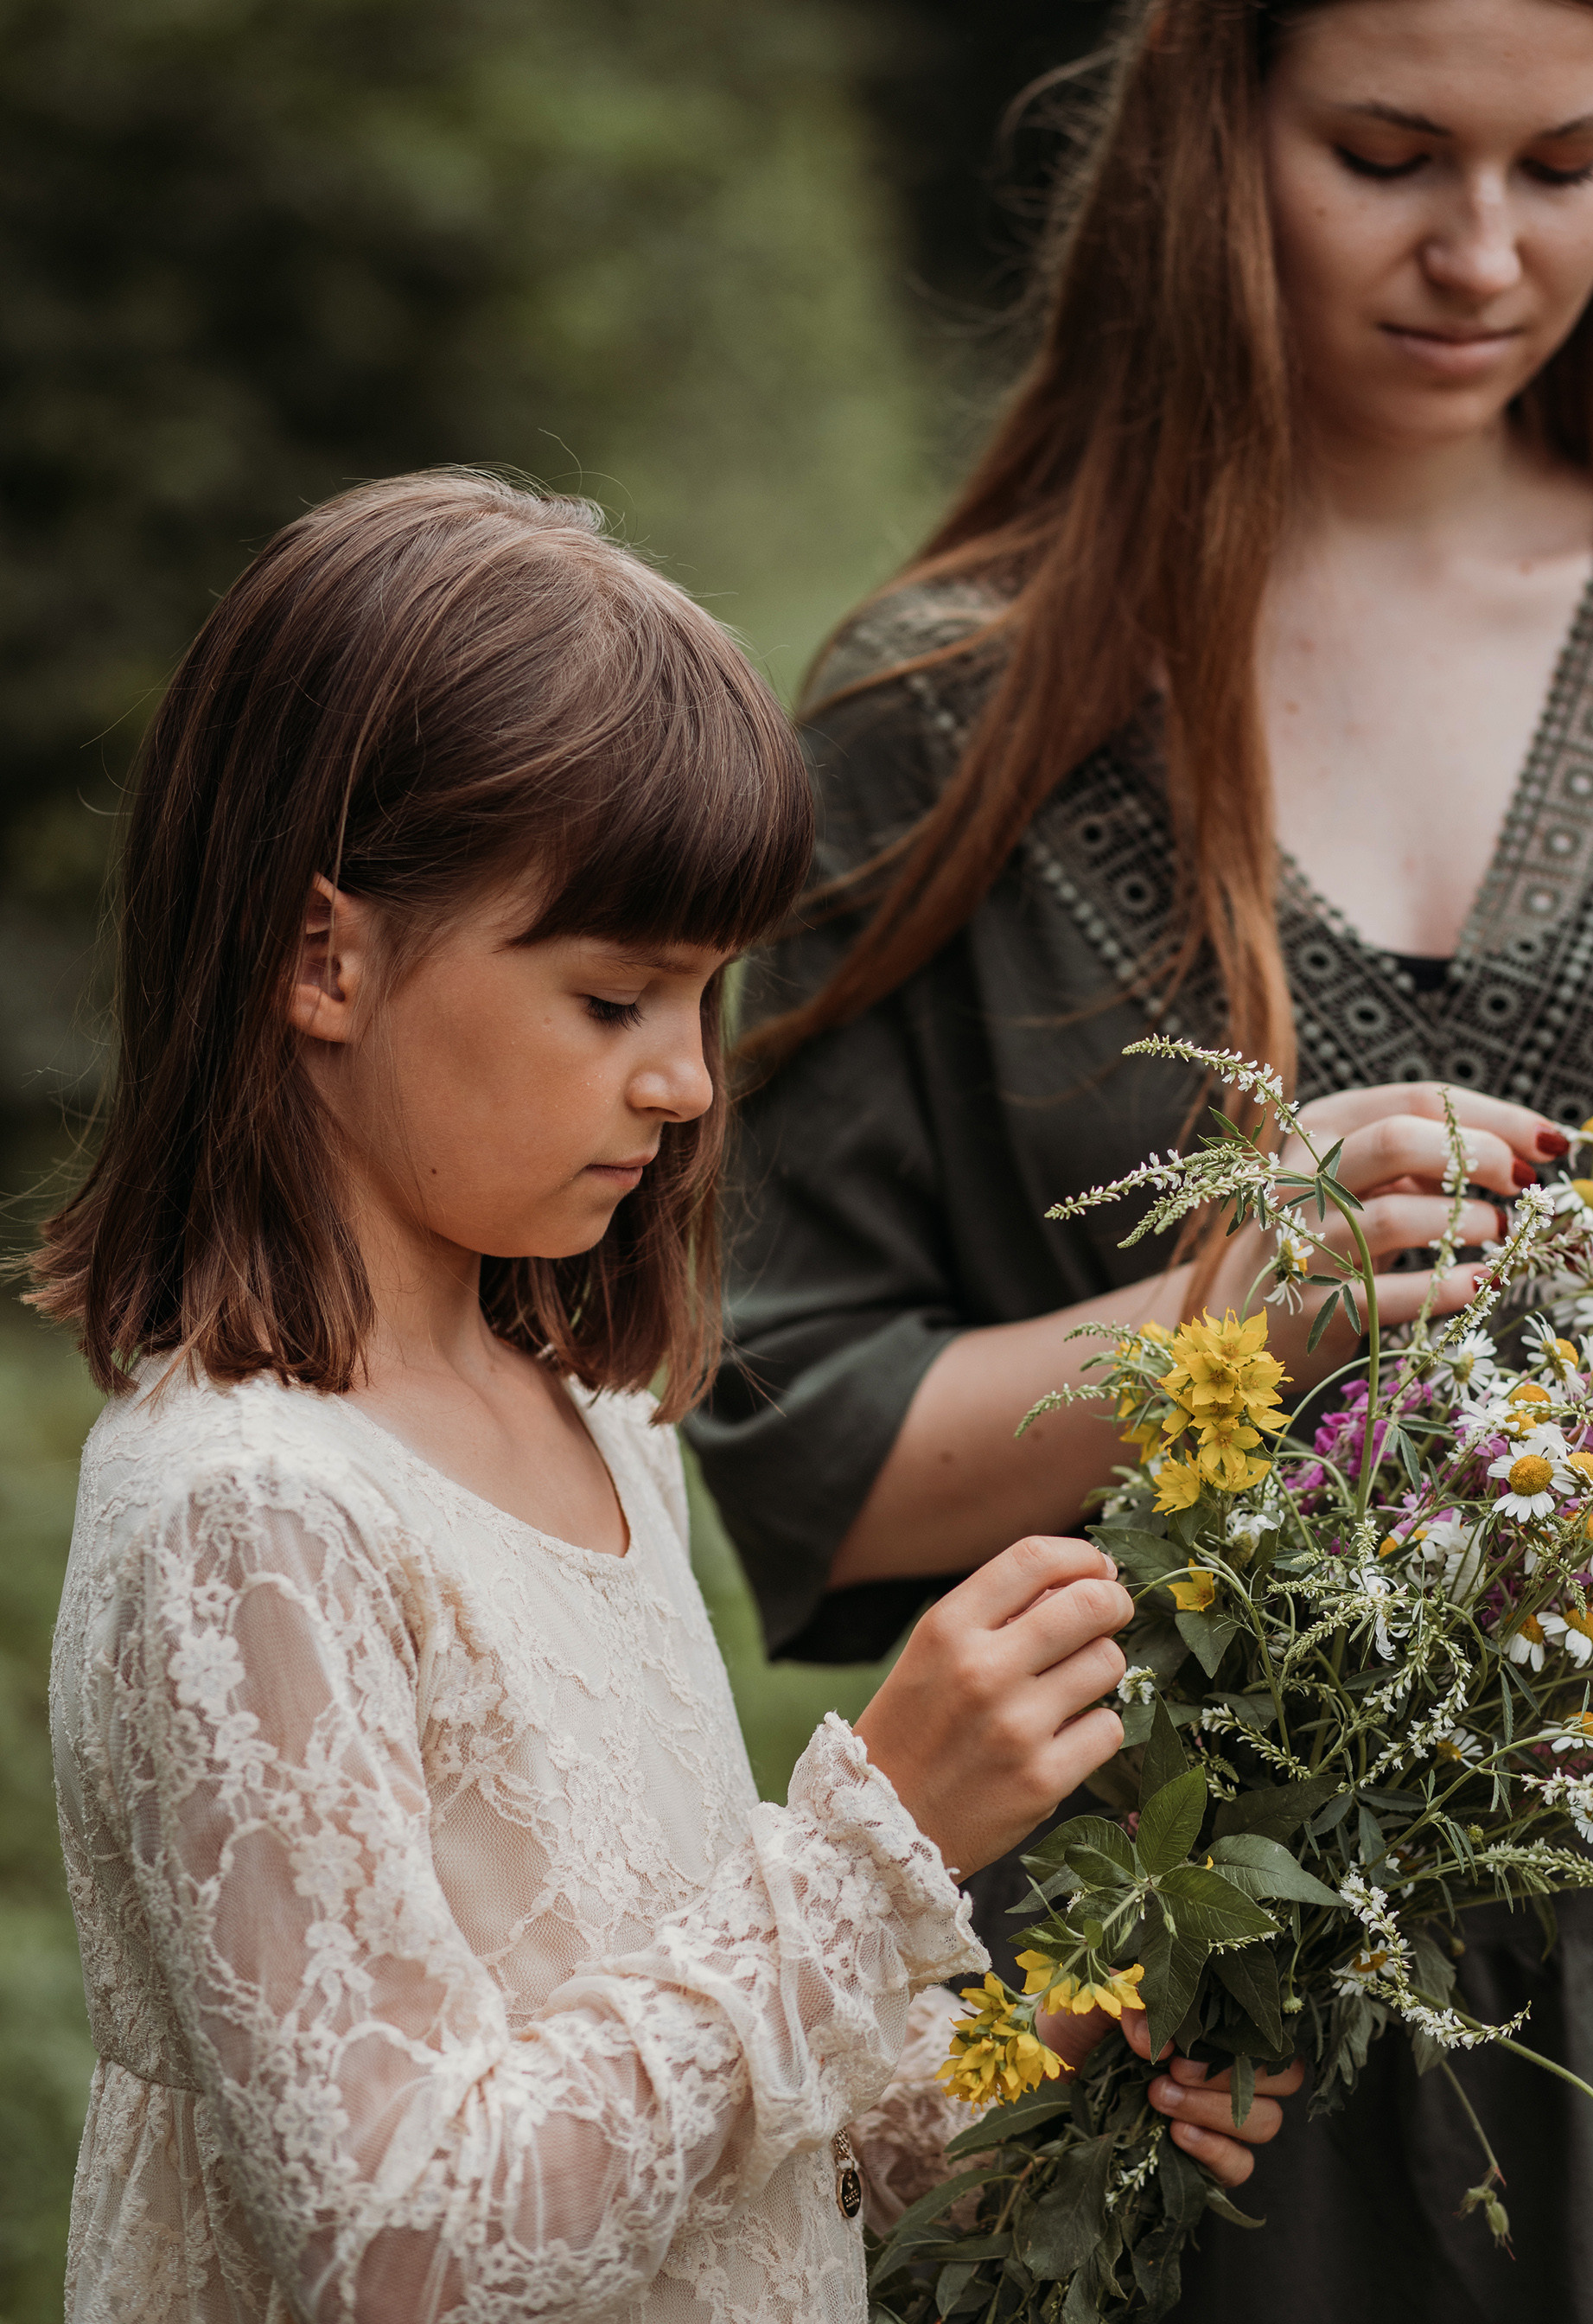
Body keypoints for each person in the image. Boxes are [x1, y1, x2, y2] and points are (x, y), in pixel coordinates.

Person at [685, 0, 1593, 2314]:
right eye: (1386, 153)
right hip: (1158, 2066)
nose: (1480, 249)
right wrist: (1214, 1333)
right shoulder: (947, 727)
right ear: (1206, 122)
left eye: (1565, 162)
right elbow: (792, 1438)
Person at [29, 472, 1284, 2324]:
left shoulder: (591, 1414)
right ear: (323, 959)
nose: (687, 1083)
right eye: (615, 1000)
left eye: (704, 1001)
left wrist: (1040, 2071)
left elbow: (683, 2092)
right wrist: (875, 1851)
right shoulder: (252, 1514)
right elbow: (401, 2241)